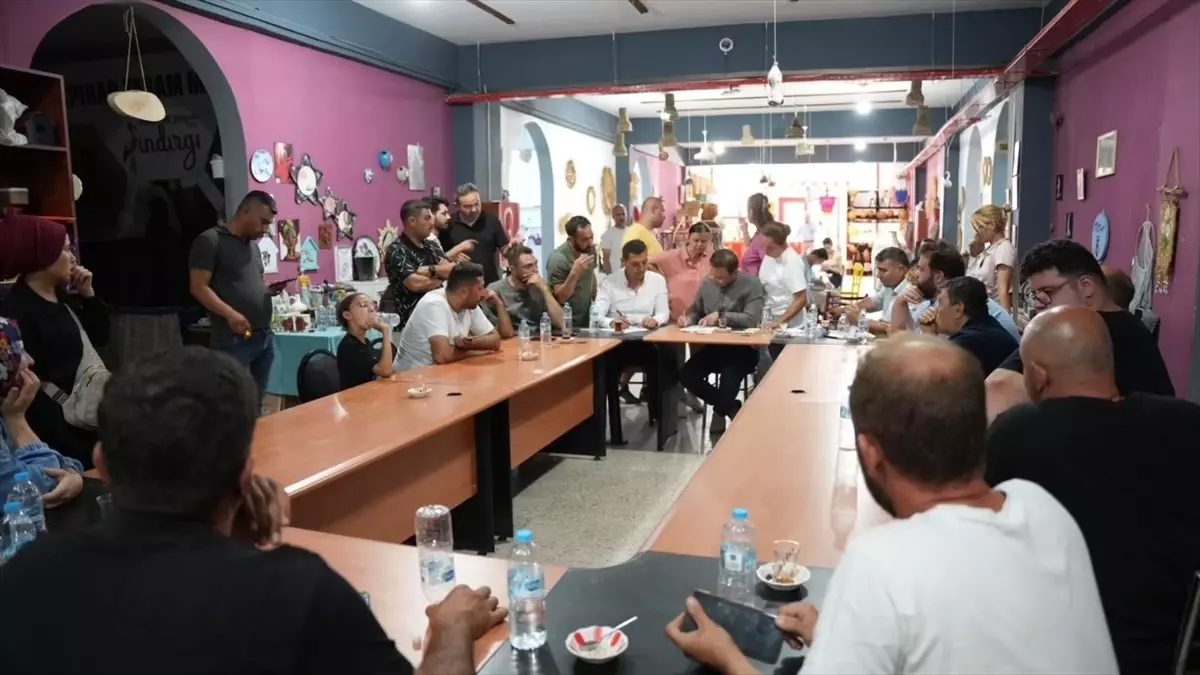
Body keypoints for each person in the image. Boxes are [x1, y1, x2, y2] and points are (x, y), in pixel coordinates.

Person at [0, 346, 506, 674]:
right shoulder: (296, 593)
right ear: (246, 471)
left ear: (102, 464)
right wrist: (451, 629)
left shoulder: (25, 577)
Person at [668, 334, 1117, 675]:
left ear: (869, 452)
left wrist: (727, 657)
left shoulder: (882, 562)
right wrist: (837, 635)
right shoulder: (1044, 509)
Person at [985, 306, 1200, 674]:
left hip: (1058, 653)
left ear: (1037, 376)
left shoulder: (1017, 433)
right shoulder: (1188, 423)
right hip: (1174, 647)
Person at [986, 239, 1173, 421]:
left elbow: (996, 389)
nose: (1038, 304)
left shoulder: (1073, 332)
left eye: (1048, 292)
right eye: (1035, 295)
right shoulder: (1133, 328)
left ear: (1087, 287)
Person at [1, 214, 109, 466]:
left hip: (84, 418)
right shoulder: (16, 309)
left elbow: (101, 337)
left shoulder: (64, 298)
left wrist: (89, 295)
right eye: (65, 249)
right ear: (42, 256)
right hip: (54, 429)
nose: (73, 257)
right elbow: (23, 380)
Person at [189, 191, 287, 403]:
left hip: (263, 336)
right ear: (245, 210)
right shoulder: (211, 240)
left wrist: (267, 290)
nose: (265, 229)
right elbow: (198, 287)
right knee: (232, 403)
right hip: (233, 339)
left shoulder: (253, 248)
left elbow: (246, 284)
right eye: (263, 222)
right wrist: (230, 314)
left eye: (268, 224)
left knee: (256, 404)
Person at [678, 249, 765, 433]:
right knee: (686, 374)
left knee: (729, 376)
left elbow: (751, 319)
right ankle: (731, 407)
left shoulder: (752, 284)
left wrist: (721, 316)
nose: (717, 281)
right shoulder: (707, 283)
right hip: (715, 348)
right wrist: (689, 319)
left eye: (722, 278)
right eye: (714, 276)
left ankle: (719, 413)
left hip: (743, 349)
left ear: (735, 272)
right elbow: (697, 311)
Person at [0, 317, 84, 505]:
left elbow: (66, 466)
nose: (31, 360)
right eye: (19, 351)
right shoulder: (10, 413)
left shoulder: (4, 410)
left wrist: (71, 474)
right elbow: (22, 488)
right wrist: (17, 420)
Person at [891, 240, 1019, 340]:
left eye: (921, 269)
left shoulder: (955, 307)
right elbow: (907, 340)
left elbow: (920, 354)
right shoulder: (934, 303)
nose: (916, 274)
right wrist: (900, 303)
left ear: (938, 276)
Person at [395, 263, 507, 371]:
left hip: (442, 373)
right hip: (413, 376)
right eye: (480, 288)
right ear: (463, 291)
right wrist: (474, 352)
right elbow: (442, 355)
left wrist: (469, 343)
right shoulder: (434, 303)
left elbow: (495, 340)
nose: (484, 294)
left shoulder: (469, 304)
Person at [384, 199, 456, 332]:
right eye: (427, 218)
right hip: (411, 325)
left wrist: (430, 270)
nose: (432, 223)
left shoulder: (432, 246)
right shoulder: (397, 250)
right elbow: (416, 284)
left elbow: (453, 270)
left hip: (439, 319)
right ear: (412, 221)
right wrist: (442, 276)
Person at [933, 277, 1018, 376]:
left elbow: (930, 377)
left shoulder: (967, 342)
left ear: (958, 309)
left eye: (940, 304)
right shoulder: (988, 327)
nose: (936, 310)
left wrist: (928, 335)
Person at [442, 183, 511, 284]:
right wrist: (453, 257)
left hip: (489, 283)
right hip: (460, 284)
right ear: (458, 206)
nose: (474, 209)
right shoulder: (449, 224)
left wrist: (513, 248)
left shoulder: (491, 220)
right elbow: (441, 257)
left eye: (477, 204)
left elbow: (504, 249)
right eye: (468, 206)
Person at [594, 240, 669, 331]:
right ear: (623, 262)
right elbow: (597, 314)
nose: (641, 268)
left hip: (647, 334)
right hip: (617, 335)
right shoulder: (608, 282)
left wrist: (655, 320)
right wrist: (611, 322)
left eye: (644, 262)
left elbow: (663, 313)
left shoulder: (657, 280)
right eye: (635, 264)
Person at [833, 246, 910, 335]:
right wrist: (846, 310)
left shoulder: (909, 292)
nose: (878, 275)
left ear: (901, 270)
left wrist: (858, 320)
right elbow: (874, 302)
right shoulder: (890, 286)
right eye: (879, 270)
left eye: (883, 270)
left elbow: (889, 330)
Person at [484, 245, 563, 331]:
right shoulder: (496, 290)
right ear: (513, 269)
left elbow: (561, 324)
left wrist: (545, 290)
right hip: (515, 337)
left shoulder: (540, 286)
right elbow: (490, 329)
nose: (535, 270)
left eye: (535, 264)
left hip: (541, 335)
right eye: (528, 266)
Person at [650, 222, 713, 322]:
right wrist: (660, 277)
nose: (699, 244)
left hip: (703, 320)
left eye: (703, 241)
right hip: (674, 319)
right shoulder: (672, 256)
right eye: (696, 240)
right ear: (688, 238)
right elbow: (644, 260)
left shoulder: (712, 258)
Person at [334, 293, 394, 390]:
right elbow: (385, 371)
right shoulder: (350, 345)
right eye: (364, 305)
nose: (372, 309)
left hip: (368, 393)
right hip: (353, 397)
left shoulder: (365, 341)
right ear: (347, 315)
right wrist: (385, 331)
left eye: (373, 305)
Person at [547, 215, 598, 329]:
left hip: (587, 321)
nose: (590, 243)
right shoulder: (558, 259)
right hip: (566, 324)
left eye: (591, 237)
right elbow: (560, 297)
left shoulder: (589, 249)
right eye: (584, 240)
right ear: (571, 239)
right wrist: (575, 273)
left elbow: (592, 277)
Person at [966, 205, 1017, 312]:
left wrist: (1005, 319)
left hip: (992, 313)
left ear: (991, 225)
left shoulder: (1004, 249)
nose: (977, 232)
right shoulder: (988, 250)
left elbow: (1003, 290)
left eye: (980, 227)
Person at [758, 223, 808, 331]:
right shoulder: (769, 256)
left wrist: (779, 322)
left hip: (790, 325)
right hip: (771, 317)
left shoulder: (792, 261)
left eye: (770, 247)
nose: (766, 251)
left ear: (783, 245)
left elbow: (801, 299)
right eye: (764, 246)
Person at [428, 195, 473, 264]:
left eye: (448, 213)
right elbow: (434, 266)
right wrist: (460, 247)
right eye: (444, 214)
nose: (448, 217)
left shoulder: (446, 237)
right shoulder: (424, 241)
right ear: (431, 215)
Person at [739, 192, 774, 276]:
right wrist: (745, 230)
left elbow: (769, 267)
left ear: (751, 211)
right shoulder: (760, 232)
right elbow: (749, 244)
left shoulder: (763, 236)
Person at [599, 203, 628, 275]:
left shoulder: (632, 232)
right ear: (613, 217)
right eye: (618, 215)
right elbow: (606, 259)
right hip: (615, 274)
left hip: (630, 274)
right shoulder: (607, 235)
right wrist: (609, 277)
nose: (621, 217)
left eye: (623, 214)